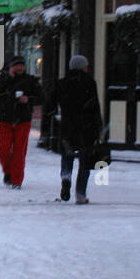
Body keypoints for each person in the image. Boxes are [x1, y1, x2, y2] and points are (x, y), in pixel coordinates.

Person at [54, 54, 104, 204]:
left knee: (67, 155)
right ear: (83, 67)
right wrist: (98, 125)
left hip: (68, 126)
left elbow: (51, 102)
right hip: (86, 127)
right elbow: (95, 106)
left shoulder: (62, 83)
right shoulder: (89, 83)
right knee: (85, 161)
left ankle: (66, 178)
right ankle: (80, 194)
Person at [0, 55, 40, 189]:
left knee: (19, 152)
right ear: (11, 67)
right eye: (16, 66)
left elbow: (40, 97)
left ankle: (16, 180)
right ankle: (8, 171)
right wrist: (10, 96)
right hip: (5, 118)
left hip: (23, 119)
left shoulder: (30, 81)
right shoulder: (2, 80)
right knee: (4, 150)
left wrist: (28, 99)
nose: (20, 68)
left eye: (22, 66)